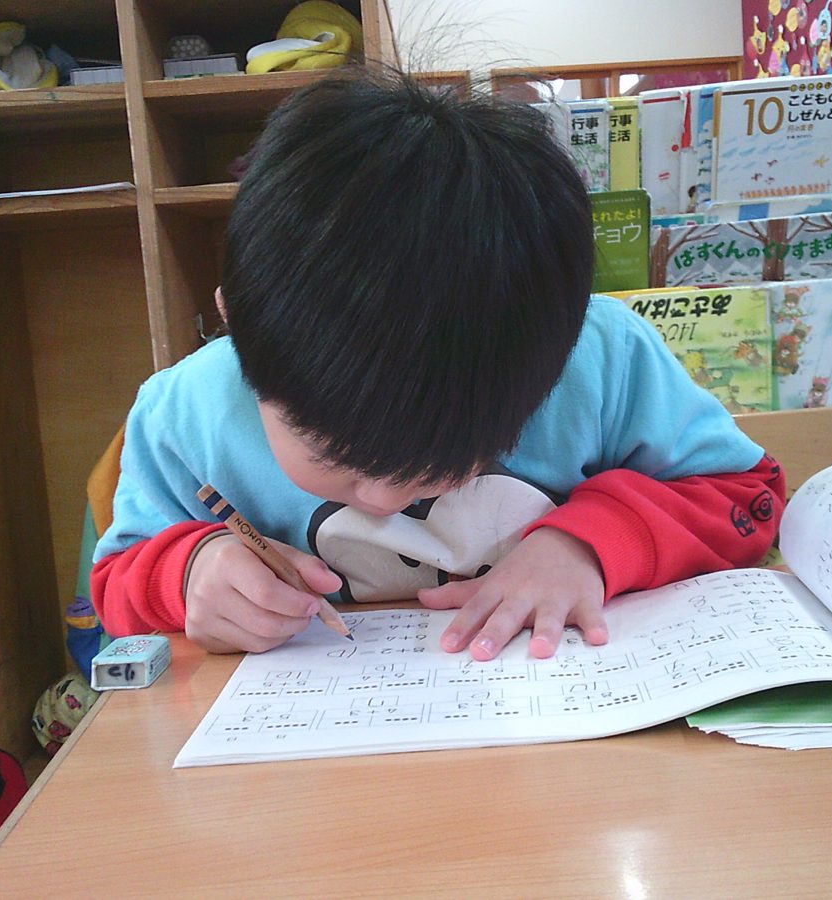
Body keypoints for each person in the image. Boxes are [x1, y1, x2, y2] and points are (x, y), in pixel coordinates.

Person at [92, 66, 785, 662]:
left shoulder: (599, 358)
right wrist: (186, 574)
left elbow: (747, 495)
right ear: (235, 323)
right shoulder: (184, 414)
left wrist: (591, 545)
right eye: (333, 455)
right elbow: (116, 581)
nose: (385, 500)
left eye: (450, 461)